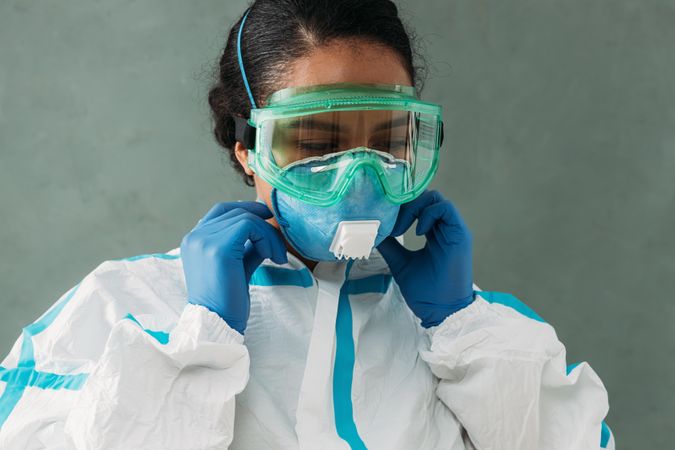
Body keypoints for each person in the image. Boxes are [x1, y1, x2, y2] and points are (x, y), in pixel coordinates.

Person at [0, 1, 615, 449]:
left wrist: (463, 330)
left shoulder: (485, 338)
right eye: (317, 142)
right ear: (247, 149)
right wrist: (198, 340)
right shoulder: (122, 310)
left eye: (389, 141)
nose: (359, 177)